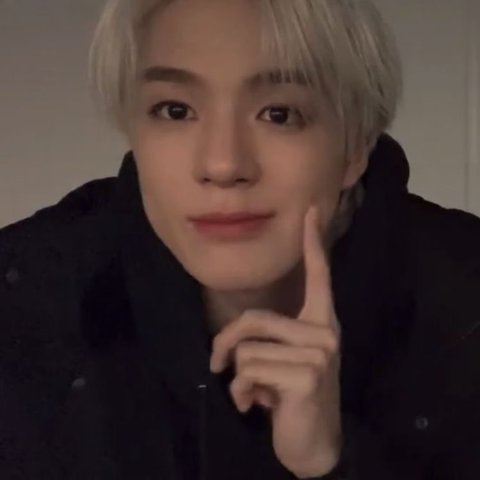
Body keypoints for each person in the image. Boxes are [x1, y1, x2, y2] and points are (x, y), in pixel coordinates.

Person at [1, 0, 480, 478]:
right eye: (175, 110)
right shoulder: (26, 299)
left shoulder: (464, 300)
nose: (223, 165)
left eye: (279, 114)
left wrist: (329, 463)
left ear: (355, 146)